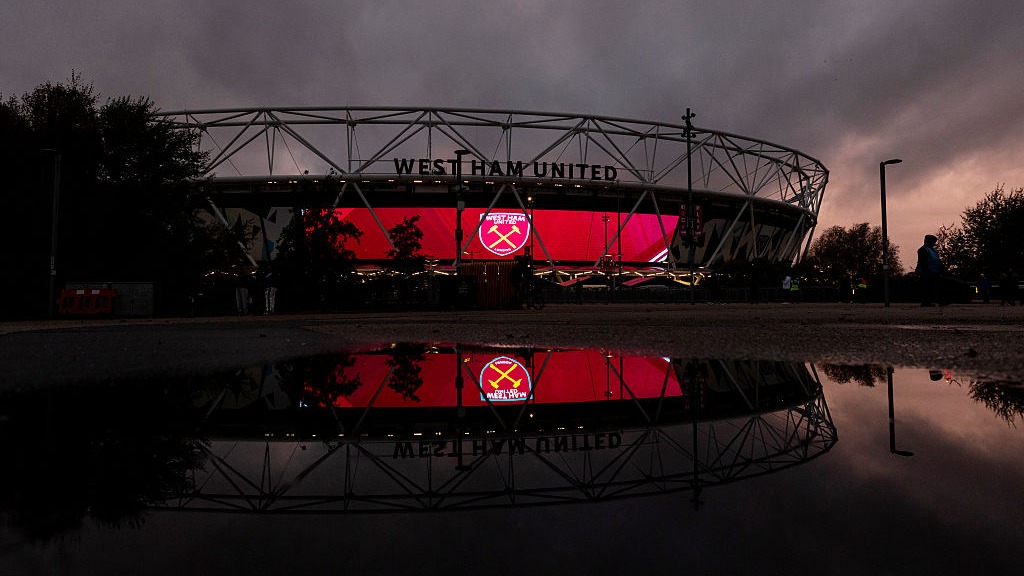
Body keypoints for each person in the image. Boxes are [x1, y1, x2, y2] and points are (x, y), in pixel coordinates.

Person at [916, 234, 944, 306]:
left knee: (932, 287)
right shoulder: (923, 250)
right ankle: (925, 302)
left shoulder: (933, 250)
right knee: (927, 288)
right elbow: (922, 262)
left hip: (934, 272)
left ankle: (931, 301)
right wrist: (926, 272)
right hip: (927, 272)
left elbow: (937, 261)